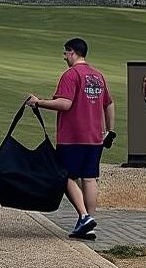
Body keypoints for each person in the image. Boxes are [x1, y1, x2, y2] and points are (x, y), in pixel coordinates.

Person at [27, 37, 116, 239]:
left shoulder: (71, 75)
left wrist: (38, 102)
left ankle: (84, 216)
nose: (64, 57)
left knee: (64, 175)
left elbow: (65, 104)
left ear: (73, 52)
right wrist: (110, 130)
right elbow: (109, 104)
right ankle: (89, 223)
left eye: (66, 53)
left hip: (73, 137)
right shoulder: (98, 76)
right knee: (90, 178)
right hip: (95, 137)